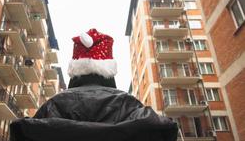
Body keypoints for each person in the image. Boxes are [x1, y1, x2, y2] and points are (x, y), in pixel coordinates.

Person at [10, 28, 178, 141]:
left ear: (76, 69)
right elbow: (160, 129)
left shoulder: (54, 105)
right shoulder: (129, 104)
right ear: (108, 70)